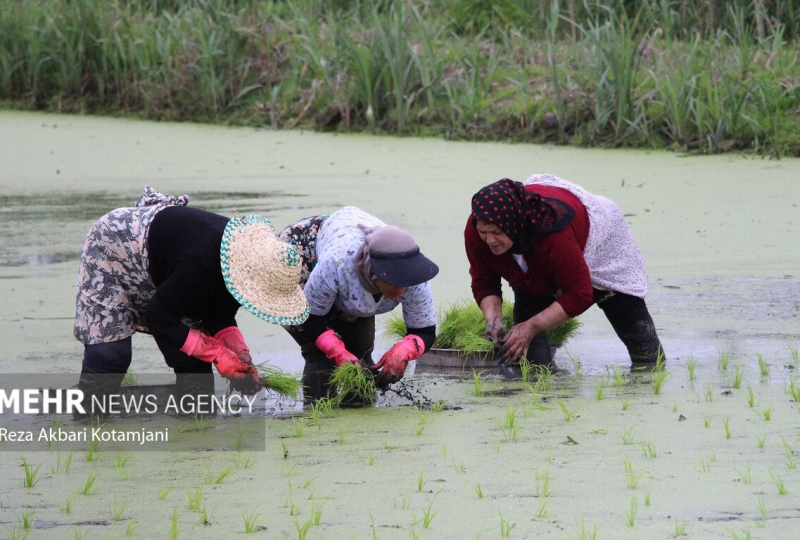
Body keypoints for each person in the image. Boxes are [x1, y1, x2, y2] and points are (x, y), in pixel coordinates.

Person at [74, 187, 309, 411]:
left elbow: (218, 309)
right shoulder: (202, 265)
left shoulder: (244, 270)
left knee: (193, 366)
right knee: (111, 355)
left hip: (175, 267)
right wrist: (218, 354)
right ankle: (86, 419)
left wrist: (238, 352)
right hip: (115, 247)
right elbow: (159, 316)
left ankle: (196, 431)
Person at [465, 174, 664, 368]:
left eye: (497, 233)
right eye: (484, 232)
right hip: (533, 258)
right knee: (529, 347)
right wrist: (494, 320)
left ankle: (651, 381)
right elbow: (484, 278)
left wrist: (531, 327)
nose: (490, 240)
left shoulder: (552, 234)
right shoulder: (477, 229)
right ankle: (539, 387)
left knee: (638, 336)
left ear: (512, 224)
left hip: (601, 242)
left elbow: (580, 293)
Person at [279, 206, 439, 404]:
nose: (402, 289)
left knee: (360, 352)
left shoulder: (415, 278)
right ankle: (318, 417)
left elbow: (425, 330)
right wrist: (336, 350)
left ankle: (358, 411)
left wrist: (405, 351)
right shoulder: (336, 264)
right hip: (304, 254)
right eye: (394, 280)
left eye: (406, 280)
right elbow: (310, 317)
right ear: (374, 274)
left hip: (346, 268)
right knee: (319, 353)